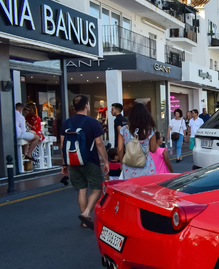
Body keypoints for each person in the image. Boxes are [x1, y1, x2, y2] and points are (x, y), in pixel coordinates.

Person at [61, 95, 109, 229]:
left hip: (73, 161)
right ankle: (87, 212)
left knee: (82, 189)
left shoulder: (66, 123)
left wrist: (65, 163)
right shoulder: (93, 122)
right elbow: (99, 144)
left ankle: (84, 220)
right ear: (86, 105)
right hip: (90, 161)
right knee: (97, 188)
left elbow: (62, 144)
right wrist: (105, 161)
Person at [117, 103, 157, 179]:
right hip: (146, 165)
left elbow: (119, 149)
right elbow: (153, 149)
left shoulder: (123, 130)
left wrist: (122, 162)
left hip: (129, 166)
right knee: (146, 188)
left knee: (130, 189)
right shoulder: (150, 130)